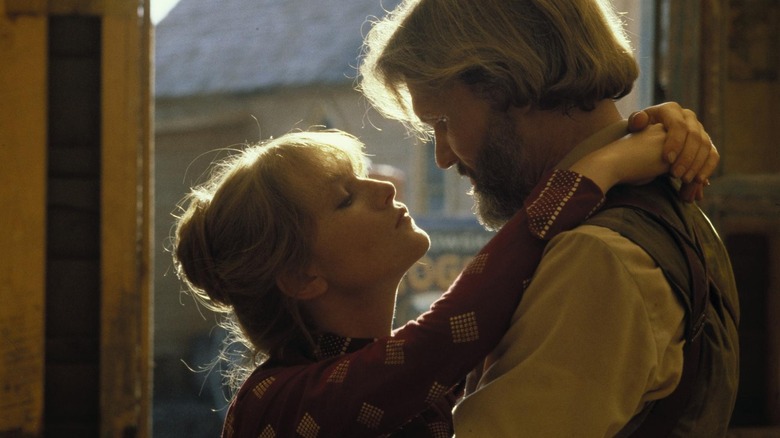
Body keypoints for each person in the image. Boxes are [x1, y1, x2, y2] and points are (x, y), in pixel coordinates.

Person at [172, 125, 715, 437]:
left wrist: (649, 131)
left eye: (364, 173)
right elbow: (455, 326)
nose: (382, 188)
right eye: (344, 198)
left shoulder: (402, 375)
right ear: (300, 275)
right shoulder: (277, 400)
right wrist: (604, 165)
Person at [358, 0, 739, 436]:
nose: (443, 157)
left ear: (510, 83)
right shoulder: (660, 204)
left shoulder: (596, 255)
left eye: (444, 121)